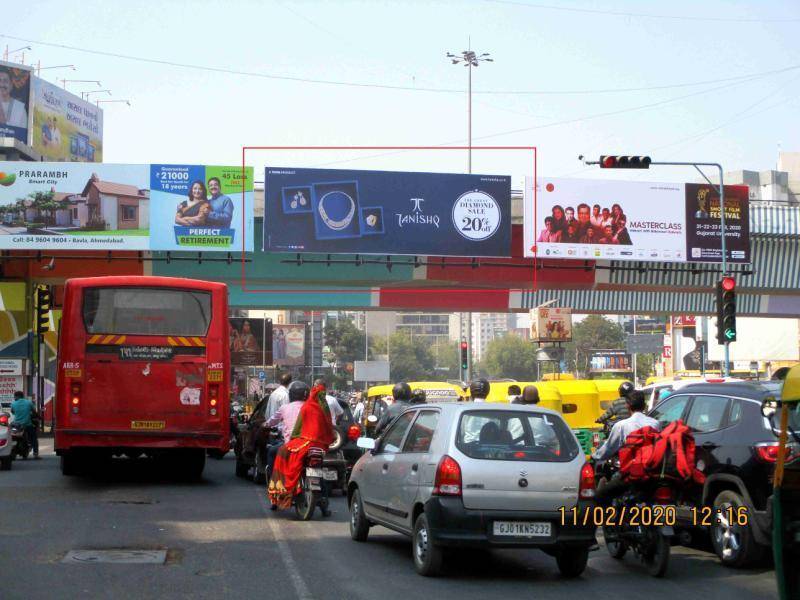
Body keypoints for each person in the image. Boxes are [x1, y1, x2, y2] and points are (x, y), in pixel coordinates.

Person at [267, 382, 334, 514]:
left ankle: (277, 491)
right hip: (320, 445)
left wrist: (295, 439)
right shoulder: (322, 409)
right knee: (319, 472)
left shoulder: (304, 407)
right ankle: (325, 506)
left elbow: (297, 429)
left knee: (279, 455)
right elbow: (329, 428)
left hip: (301, 442)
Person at [592, 391, 660, 502]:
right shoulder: (656, 423)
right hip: (653, 471)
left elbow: (608, 449)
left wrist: (594, 456)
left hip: (630, 473)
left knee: (600, 496)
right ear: (644, 406)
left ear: (627, 405)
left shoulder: (621, 425)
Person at [11, 391, 39, 459]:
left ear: (17, 396)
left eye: (15, 397)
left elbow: (13, 412)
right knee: (34, 438)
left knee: (12, 436)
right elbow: (34, 412)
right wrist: (36, 416)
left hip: (16, 425)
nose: (14, 398)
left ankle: (12, 451)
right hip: (27, 424)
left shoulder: (13, 403)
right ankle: (35, 454)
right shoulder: (29, 403)